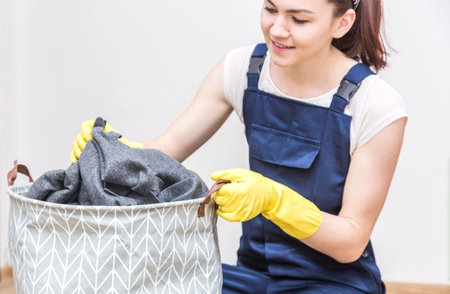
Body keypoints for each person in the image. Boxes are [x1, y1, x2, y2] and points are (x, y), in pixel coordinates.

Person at [71, 0, 407, 293]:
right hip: (253, 277)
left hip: (334, 283)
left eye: (298, 19)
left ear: (342, 23)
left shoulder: (374, 105)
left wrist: (273, 199)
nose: (277, 29)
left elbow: (350, 241)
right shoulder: (242, 69)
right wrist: (111, 151)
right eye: (270, 9)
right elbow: (165, 150)